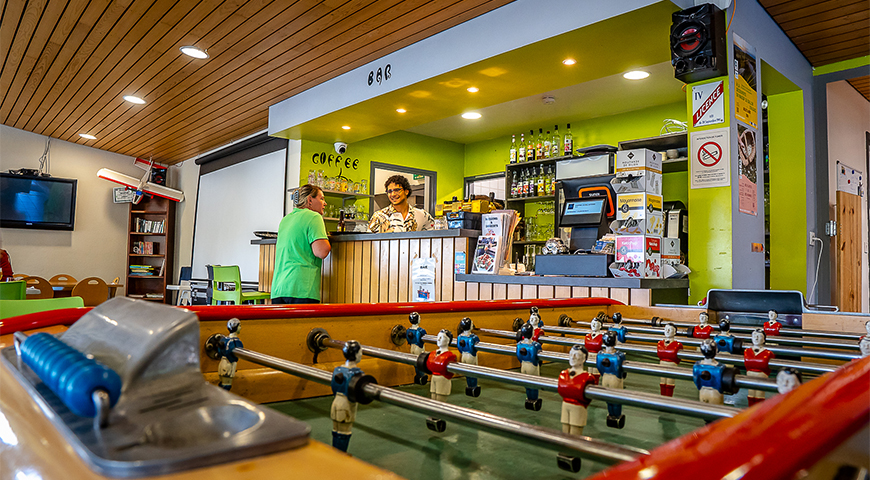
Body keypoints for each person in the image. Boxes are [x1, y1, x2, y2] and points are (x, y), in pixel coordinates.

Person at [271, 184, 330, 304]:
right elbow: (321, 251)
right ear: (310, 200)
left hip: (279, 288)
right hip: (301, 288)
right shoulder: (314, 216)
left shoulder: (285, 219)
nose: (325, 203)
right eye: (321, 198)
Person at [368, 175, 434, 233]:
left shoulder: (422, 215)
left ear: (406, 191)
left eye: (397, 190)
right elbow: (369, 241)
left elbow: (433, 237)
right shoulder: (379, 217)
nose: (393, 194)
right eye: (389, 191)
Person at [331, 340, 364, 452]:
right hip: (346, 405)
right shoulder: (357, 373)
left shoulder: (338, 370)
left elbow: (334, 387)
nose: (361, 354)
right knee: (344, 432)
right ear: (355, 354)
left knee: (336, 430)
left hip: (336, 402)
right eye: (360, 352)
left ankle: (335, 453)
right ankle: (340, 456)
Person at [744, 329, 774, 406]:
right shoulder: (747, 351)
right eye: (754, 336)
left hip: (762, 379)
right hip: (750, 378)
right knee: (750, 396)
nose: (756, 338)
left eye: (759, 336)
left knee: (759, 397)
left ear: (764, 339)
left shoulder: (768, 353)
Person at [656, 323, 683, 397]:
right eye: (666, 329)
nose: (667, 331)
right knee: (662, 382)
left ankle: (668, 401)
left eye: (670, 329)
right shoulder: (660, 343)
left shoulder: (678, 345)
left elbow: (679, 358)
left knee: (670, 383)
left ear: (675, 332)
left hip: (672, 365)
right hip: (662, 364)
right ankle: (662, 399)